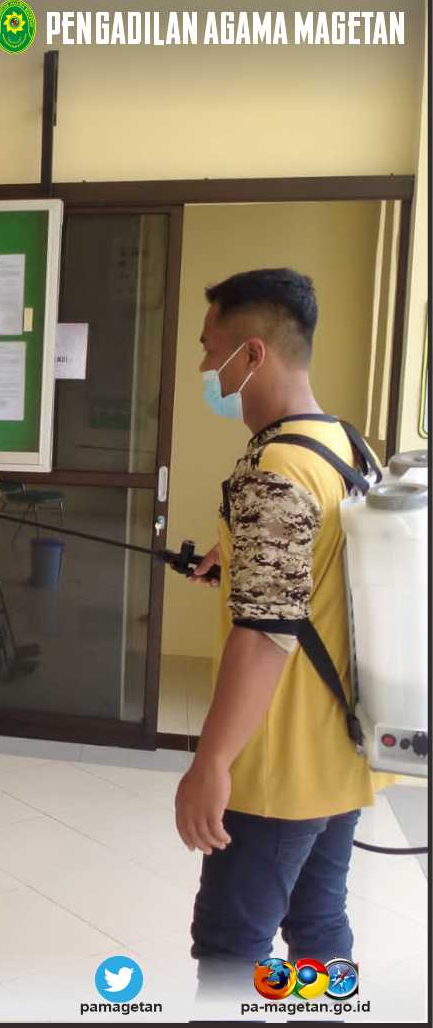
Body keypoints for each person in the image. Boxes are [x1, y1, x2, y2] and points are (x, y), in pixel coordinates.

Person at [173, 268, 392, 1002]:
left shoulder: (276, 466)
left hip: (276, 769)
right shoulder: (344, 445)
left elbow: (267, 633)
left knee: (233, 949)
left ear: (252, 354)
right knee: (319, 924)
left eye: (210, 350)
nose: (206, 368)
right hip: (338, 751)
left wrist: (212, 761)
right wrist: (235, 550)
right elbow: (322, 560)